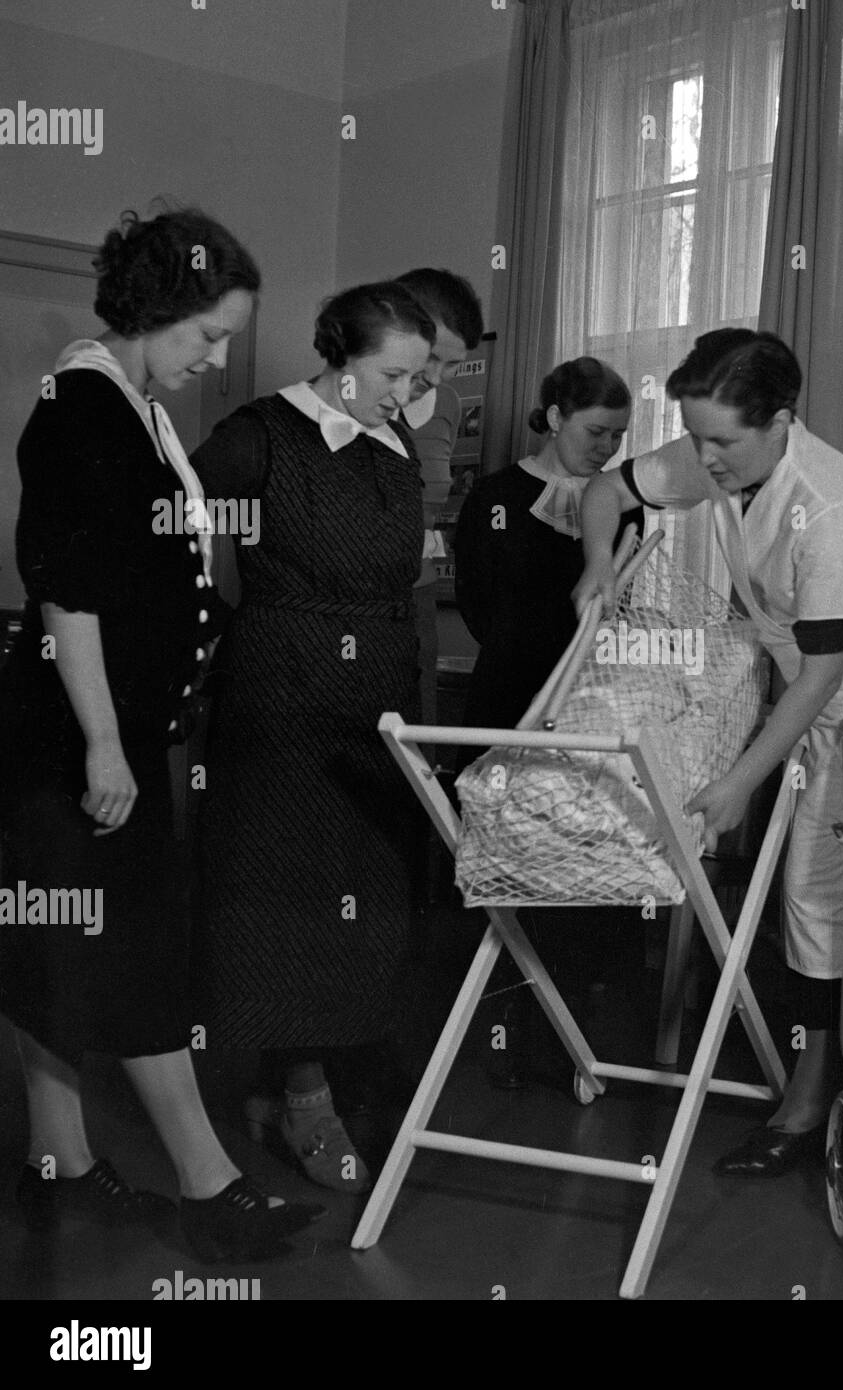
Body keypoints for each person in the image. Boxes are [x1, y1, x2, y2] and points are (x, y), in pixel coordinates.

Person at [0, 207, 323, 1259]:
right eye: (207, 335)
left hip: (114, 733)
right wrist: (102, 741)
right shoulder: (80, 408)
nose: (218, 357)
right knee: (131, 956)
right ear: (155, 310)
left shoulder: (129, 405)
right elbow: (69, 591)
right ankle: (207, 1182)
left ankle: (57, 1163)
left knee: (57, 948)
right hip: (75, 738)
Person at [574, 329, 843, 1175]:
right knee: (818, 902)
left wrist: (741, 780)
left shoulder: (830, 506)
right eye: (695, 436)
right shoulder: (721, 451)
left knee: (833, 899)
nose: (702, 460)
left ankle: (831, 1098)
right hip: (815, 695)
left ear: (783, 421)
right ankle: (834, 1086)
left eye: (723, 443)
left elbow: (826, 675)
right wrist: (600, 560)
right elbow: (605, 490)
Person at [190, 281, 437, 1192]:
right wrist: (215, 622)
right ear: (339, 356)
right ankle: (301, 1094)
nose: (406, 394)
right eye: (391, 374)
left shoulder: (394, 440)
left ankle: (321, 1070)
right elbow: (166, 516)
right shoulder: (261, 433)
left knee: (365, 896)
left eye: (417, 378)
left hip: (374, 700)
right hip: (282, 696)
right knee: (285, 898)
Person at [453, 357, 644, 1086]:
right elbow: (474, 602)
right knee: (512, 856)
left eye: (620, 436)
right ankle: (508, 1027)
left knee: (586, 857)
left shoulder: (624, 503)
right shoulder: (495, 497)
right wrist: (525, 651)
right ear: (557, 414)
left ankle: (580, 1033)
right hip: (510, 695)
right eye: (596, 431)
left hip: (590, 701)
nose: (607, 449)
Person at [393, 267, 484, 727]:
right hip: (360, 597)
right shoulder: (360, 401)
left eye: (451, 364)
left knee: (417, 729)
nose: (438, 375)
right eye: (431, 358)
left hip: (419, 590)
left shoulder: (448, 403)